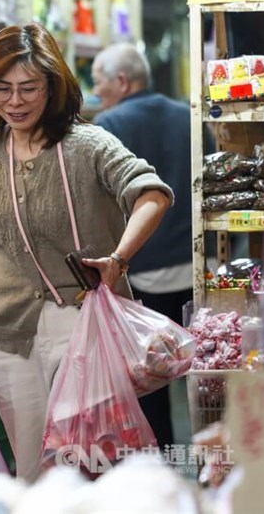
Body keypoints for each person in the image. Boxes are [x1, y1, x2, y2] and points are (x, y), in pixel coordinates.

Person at [0, 23, 173, 482]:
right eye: (1, 89)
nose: (14, 101)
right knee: (30, 471)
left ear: (52, 86)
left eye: (28, 88)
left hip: (84, 326)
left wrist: (117, 259)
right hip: (9, 333)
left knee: (91, 467)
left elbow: (151, 194)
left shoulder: (88, 145)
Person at [92, 43, 196, 450]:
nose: (96, 91)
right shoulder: (189, 116)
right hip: (192, 266)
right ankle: (210, 463)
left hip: (140, 272)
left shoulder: (108, 126)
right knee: (200, 374)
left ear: (121, 81)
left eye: (100, 82)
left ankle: (160, 468)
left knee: (149, 379)